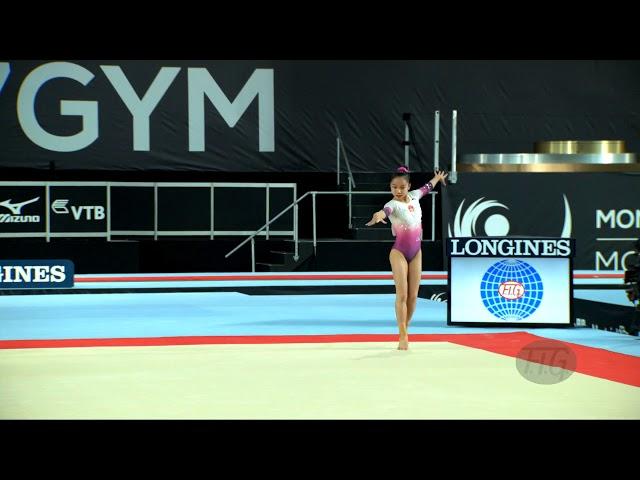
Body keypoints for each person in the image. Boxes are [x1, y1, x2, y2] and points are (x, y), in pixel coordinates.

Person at [366, 166, 448, 350]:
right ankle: (402, 335)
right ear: (390, 188)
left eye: (402, 187)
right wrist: (378, 216)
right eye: (394, 187)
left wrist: (437, 178)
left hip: (416, 253)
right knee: (402, 294)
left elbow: (427, 187)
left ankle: (406, 327)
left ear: (408, 186)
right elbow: (384, 211)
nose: (398, 190)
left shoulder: (415, 195)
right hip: (399, 253)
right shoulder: (392, 205)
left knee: (413, 297)